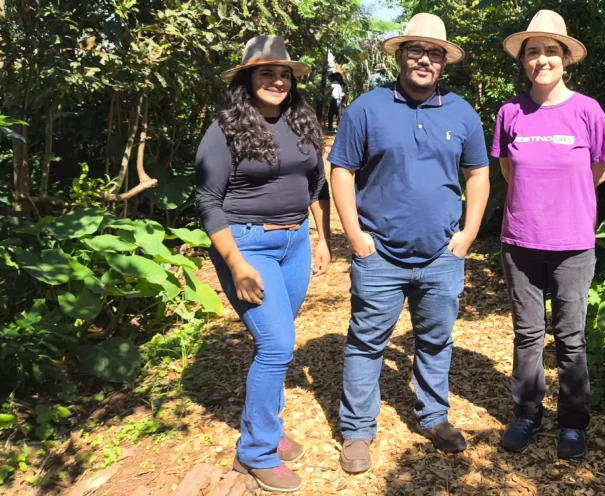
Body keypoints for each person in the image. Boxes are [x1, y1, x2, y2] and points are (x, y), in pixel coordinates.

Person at [327, 12, 490, 474]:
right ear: (399, 56)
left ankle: (434, 418)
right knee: (366, 342)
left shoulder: (460, 112)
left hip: (442, 255)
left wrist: (469, 233)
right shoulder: (367, 108)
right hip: (379, 254)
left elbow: (478, 174)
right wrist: (355, 237)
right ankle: (357, 430)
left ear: (443, 62)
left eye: (433, 53)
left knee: (435, 341)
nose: (423, 59)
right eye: (415, 50)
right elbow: (342, 170)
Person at [194, 35, 332, 492]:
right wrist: (236, 265)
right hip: (247, 245)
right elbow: (209, 201)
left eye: (284, 74)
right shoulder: (224, 128)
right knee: (277, 346)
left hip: (294, 243)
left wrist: (322, 239)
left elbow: (317, 185)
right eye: (266, 72)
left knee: (276, 344)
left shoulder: (300, 120)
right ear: (247, 78)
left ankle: (265, 429)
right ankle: (254, 453)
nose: (277, 80)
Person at [491, 10, 605, 460]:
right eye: (533, 52)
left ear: (566, 59)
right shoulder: (510, 113)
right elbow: (508, 169)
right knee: (526, 334)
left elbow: (597, 169)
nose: (542, 59)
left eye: (550, 51)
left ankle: (573, 423)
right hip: (521, 241)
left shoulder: (587, 111)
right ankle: (527, 413)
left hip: (573, 243)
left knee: (571, 336)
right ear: (524, 61)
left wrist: (566, 203)